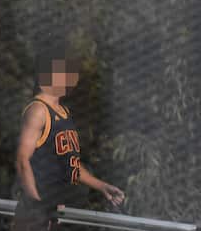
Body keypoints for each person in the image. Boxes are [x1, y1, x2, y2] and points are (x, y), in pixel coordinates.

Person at [15, 49, 125, 211]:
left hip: (61, 209)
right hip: (41, 210)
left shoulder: (63, 112)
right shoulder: (38, 110)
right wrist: (37, 204)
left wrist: (102, 186)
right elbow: (22, 161)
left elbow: (71, 165)